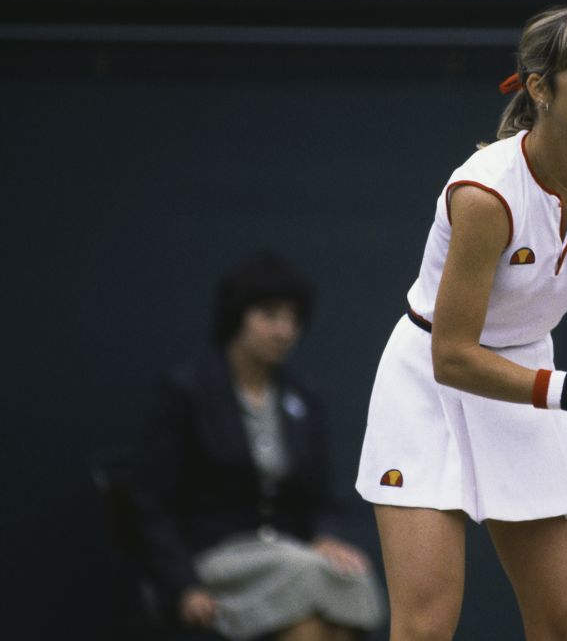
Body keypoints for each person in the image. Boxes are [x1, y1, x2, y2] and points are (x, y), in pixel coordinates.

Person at [355, 6, 567, 640]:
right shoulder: (486, 195)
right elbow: (452, 357)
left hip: (526, 380)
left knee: (565, 626)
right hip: (427, 384)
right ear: (540, 88)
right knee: (425, 628)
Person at [130, 251, 387, 641]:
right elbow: (152, 505)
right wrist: (182, 585)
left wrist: (326, 537)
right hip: (212, 560)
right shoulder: (187, 393)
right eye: (269, 315)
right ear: (237, 317)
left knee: (330, 600)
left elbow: (320, 495)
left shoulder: (303, 397)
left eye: (293, 319)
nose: (284, 330)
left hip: (289, 557)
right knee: (307, 574)